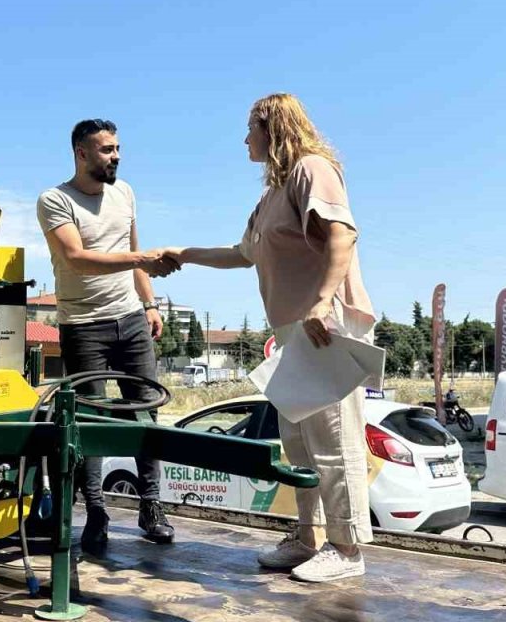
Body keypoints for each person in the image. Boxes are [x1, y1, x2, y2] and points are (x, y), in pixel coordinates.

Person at [161, 94, 376, 583]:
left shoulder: (312, 169)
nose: (244, 140)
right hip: (292, 333)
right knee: (299, 443)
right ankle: (310, 538)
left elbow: (343, 235)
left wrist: (322, 302)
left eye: (249, 130)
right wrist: (183, 253)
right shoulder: (271, 195)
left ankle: (346, 549)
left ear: (271, 127)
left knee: (334, 440)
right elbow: (243, 253)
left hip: (324, 325)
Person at [36, 118, 179, 555]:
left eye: (117, 148)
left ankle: (151, 506)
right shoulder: (55, 200)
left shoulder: (125, 193)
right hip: (83, 326)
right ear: (81, 153)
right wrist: (144, 258)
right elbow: (77, 259)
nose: (115, 156)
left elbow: (133, 249)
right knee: (91, 422)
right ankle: (95, 511)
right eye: (106, 150)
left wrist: (150, 303)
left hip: (131, 320)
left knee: (146, 415)